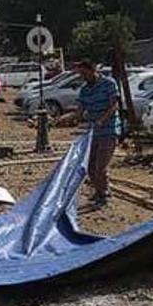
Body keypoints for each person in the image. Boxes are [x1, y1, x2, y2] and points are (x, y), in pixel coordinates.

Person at [54, 60, 123, 207]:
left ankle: (103, 196)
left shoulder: (109, 84)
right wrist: (63, 119)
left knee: (100, 167)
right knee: (91, 167)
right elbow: (79, 112)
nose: (83, 77)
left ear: (93, 71)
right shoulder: (85, 90)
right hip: (93, 132)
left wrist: (102, 120)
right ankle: (100, 191)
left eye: (84, 73)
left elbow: (114, 105)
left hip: (109, 130)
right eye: (81, 74)